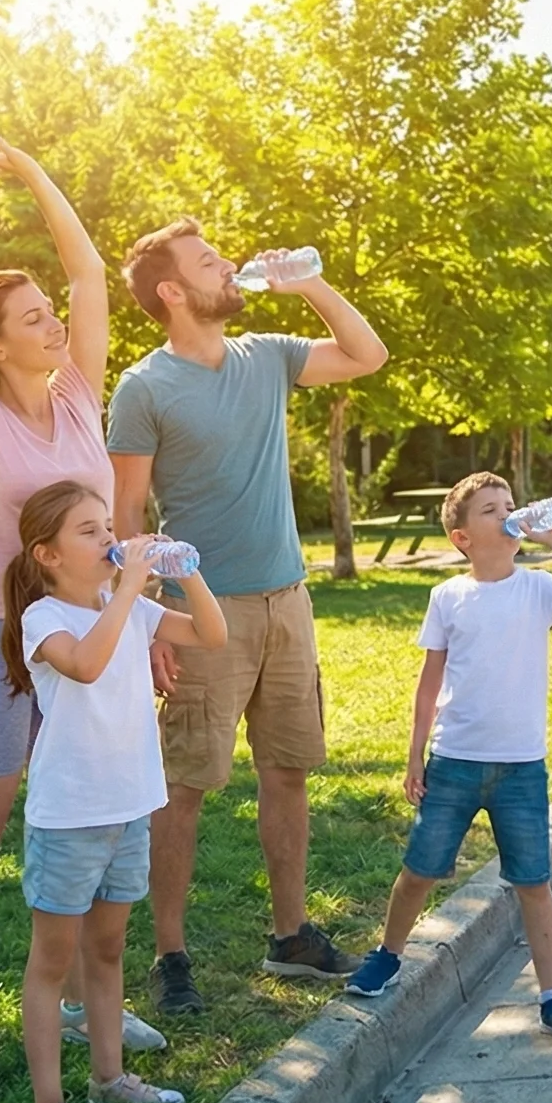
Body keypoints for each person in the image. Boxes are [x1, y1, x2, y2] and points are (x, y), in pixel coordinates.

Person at [0, 133, 161, 1100]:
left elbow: (88, 271)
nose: (54, 323)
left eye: (52, 314)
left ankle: (87, 1004)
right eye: (32, 318)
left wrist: (31, 170)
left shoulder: (81, 394)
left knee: (94, 820)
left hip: (88, 635)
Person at [107, 219, 388, 1011]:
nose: (228, 267)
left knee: (288, 770)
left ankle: (291, 937)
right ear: (171, 291)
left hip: (287, 600)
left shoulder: (266, 355)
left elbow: (367, 355)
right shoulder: (144, 387)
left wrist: (308, 283)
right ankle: (170, 955)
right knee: (184, 784)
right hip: (202, 612)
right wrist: (147, 621)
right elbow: (126, 514)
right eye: (209, 262)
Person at [1, 480, 227, 1103]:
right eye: (90, 531)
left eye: (109, 526)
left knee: (106, 950)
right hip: (69, 818)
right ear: (47, 555)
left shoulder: (126, 605)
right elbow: (87, 666)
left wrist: (186, 572)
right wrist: (128, 589)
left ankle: (108, 1079)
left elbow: (212, 634)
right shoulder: (45, 619)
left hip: (130, 808)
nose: (108, 538)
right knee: (52, 963)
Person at [346, 472, 552, 1044]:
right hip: (455, 761)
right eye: (492, 510)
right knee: (420, 870)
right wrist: (414, 756)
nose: (508, 514)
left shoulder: (538, 588)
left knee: (534, 882)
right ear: (462, 537)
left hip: (521, 767)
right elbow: (429, 684)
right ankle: (388, 955)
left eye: (510, 505)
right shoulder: (447, 596)